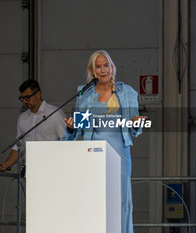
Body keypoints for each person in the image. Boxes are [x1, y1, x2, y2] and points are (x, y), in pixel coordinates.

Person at [63, 50, 147, 233]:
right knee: (94, 200)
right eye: (98, 66)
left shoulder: (127, 92)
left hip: (120, 153)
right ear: (92, 71)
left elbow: (135, 130)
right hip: (92, 154)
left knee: (121, 201)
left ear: (112, 68)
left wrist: (135, 122)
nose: (103, 70)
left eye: (106, 65)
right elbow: (79, 130)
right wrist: (71, 128)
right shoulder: (84, 94)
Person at [0, 80, 66, 172]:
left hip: (52, 169)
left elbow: (66, 141)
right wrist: (6, 164)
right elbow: (19, 147)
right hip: (30, 170)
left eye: (27, 97)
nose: (24, 101)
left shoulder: (54, 113)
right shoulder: (22, 118)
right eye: (22, 98)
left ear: (38, 94)